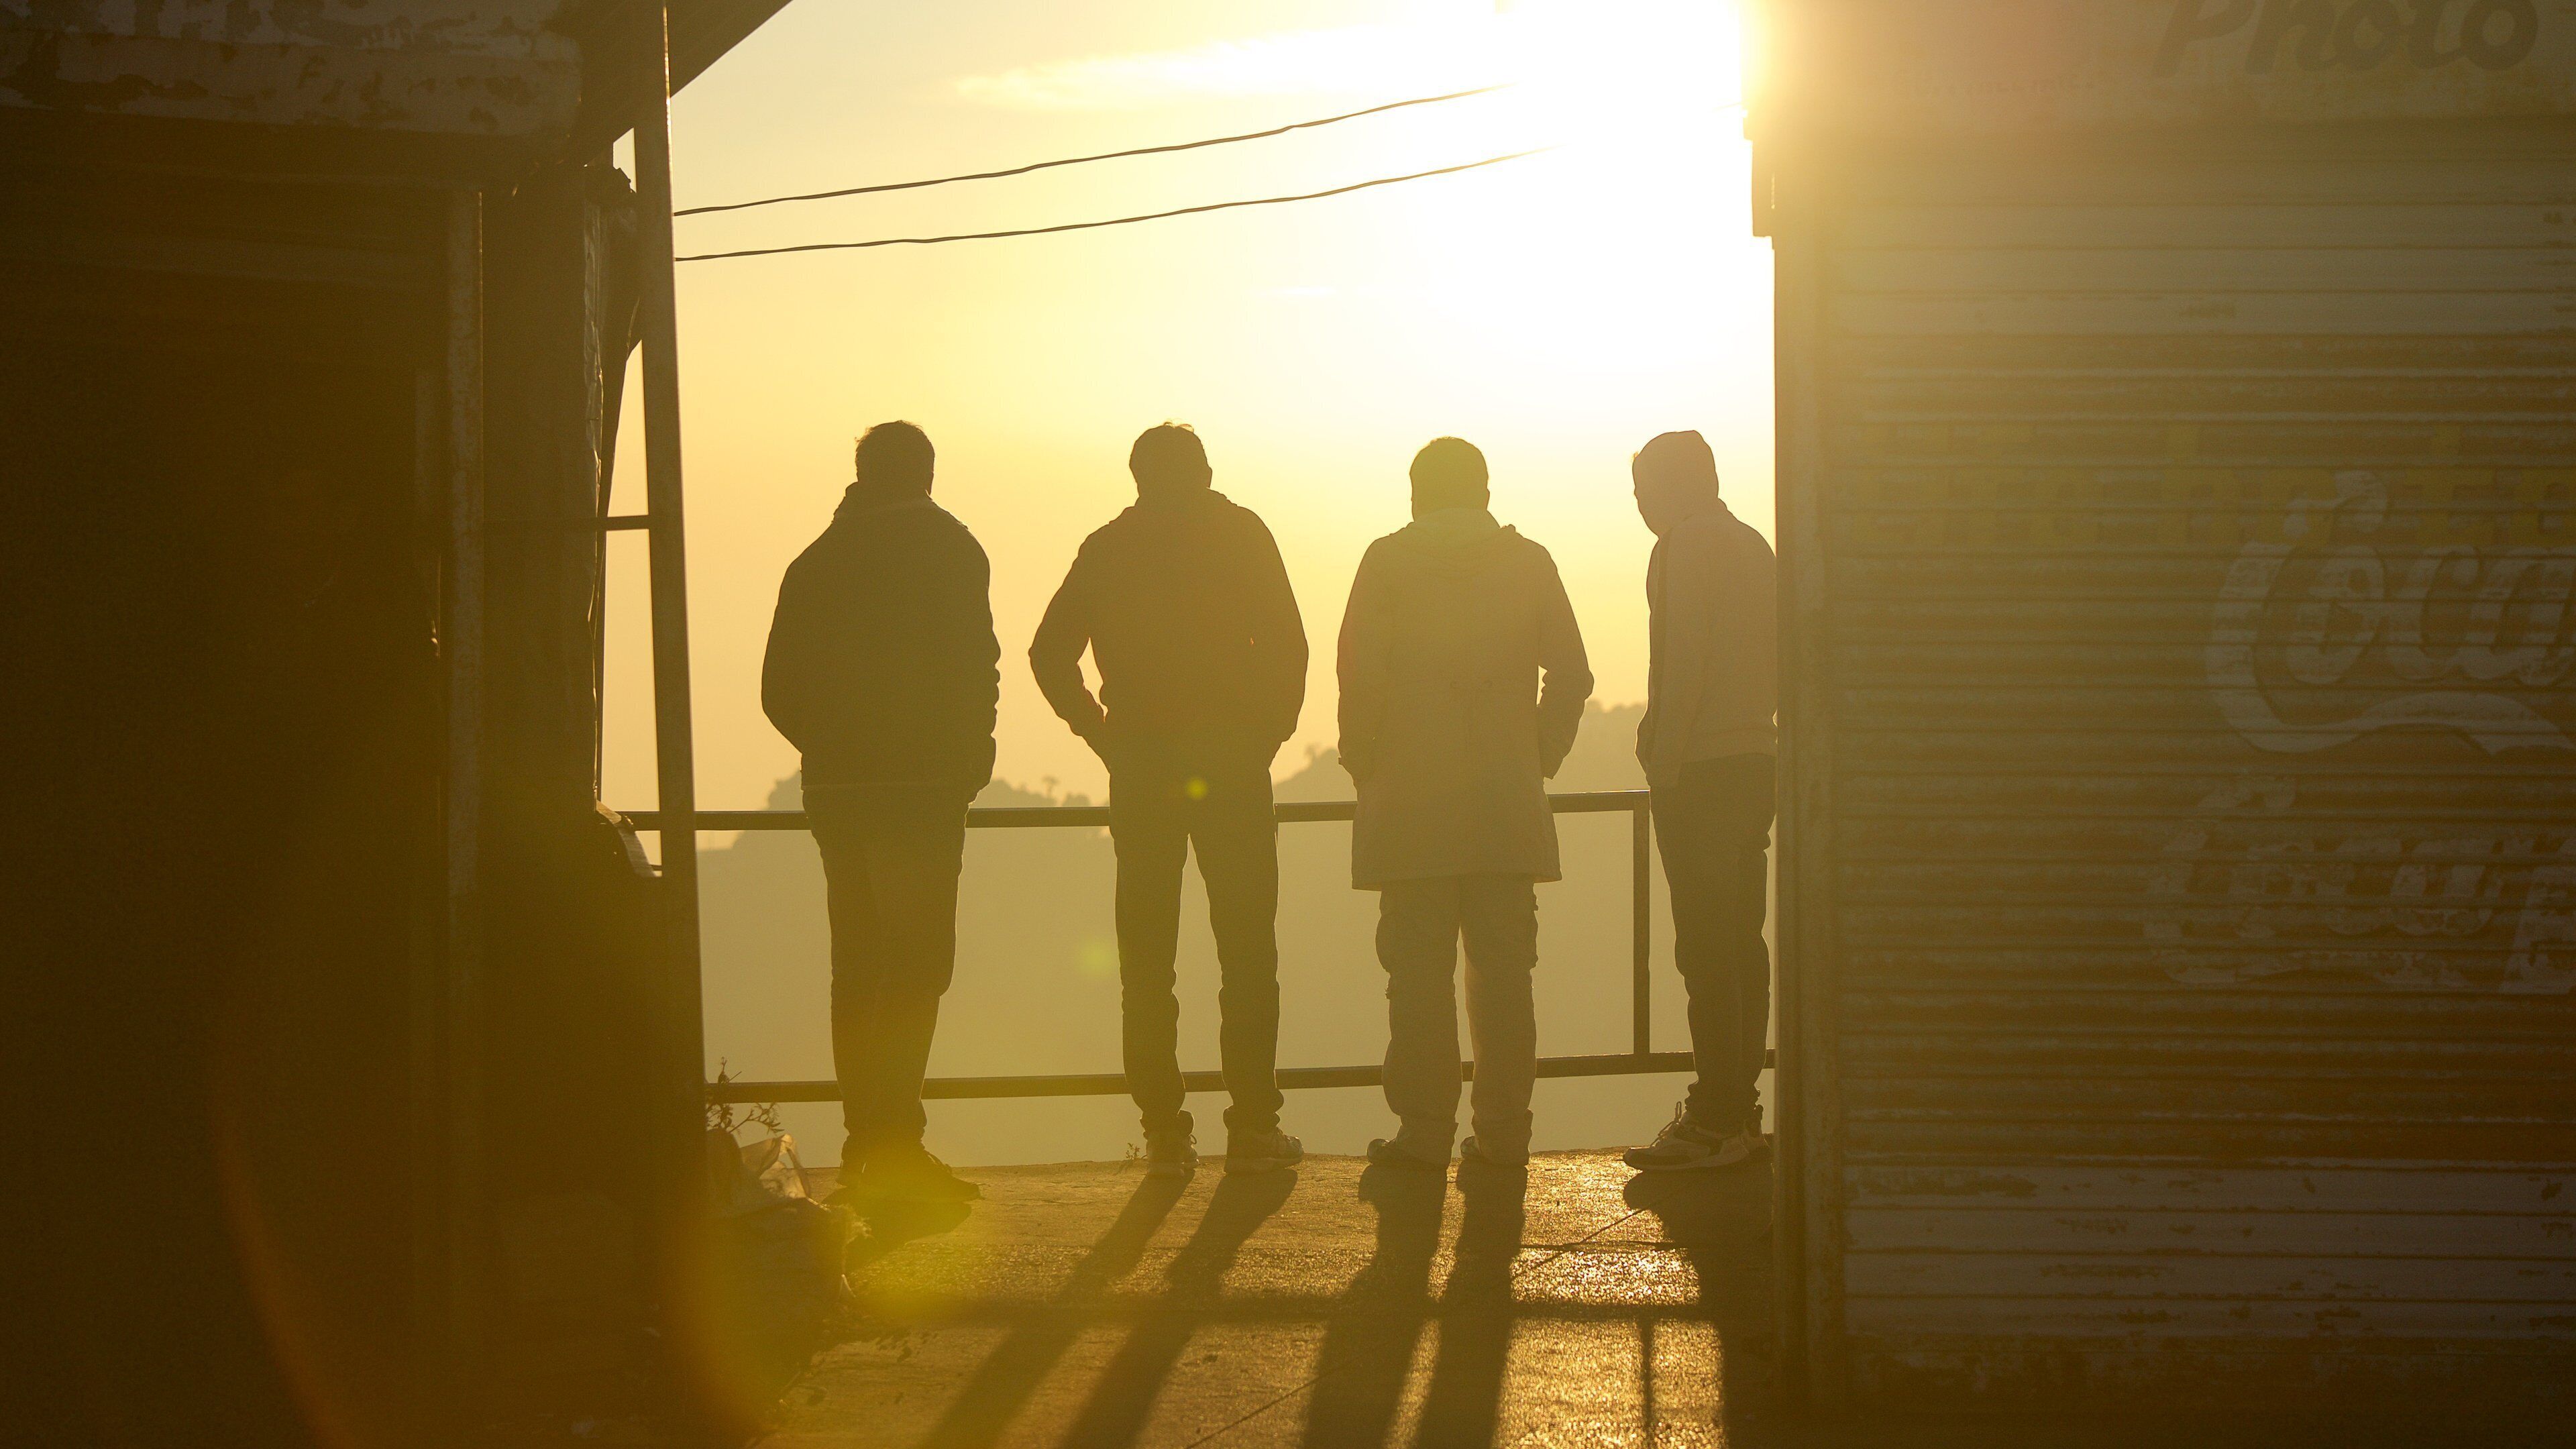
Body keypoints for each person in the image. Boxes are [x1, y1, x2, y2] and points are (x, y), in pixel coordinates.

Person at [1030, 423, 1308, 1178]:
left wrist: (1102, 734)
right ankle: (1253, 1123)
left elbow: (1048, 652)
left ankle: (1163, 1128)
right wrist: (1267, 734)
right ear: (1207, 470)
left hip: (1144, 767)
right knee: (1248, 948)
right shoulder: (1242, 533)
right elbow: (1288, 643)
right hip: (1231, 762)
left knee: (1147, 956)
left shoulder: (1107, 547)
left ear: (1137, 478)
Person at [1338, 437, 1593, 1173]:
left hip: (1411, 806)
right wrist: (1538, 755)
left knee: (1415, 977)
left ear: (1416, 492)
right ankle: (1505, 1132)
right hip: (1504, 805)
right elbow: (1572, 673)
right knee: (1505, 975)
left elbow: (1360, 676)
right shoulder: (1529, 562)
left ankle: (1424, 1132)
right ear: (1485, 490)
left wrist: (1365, 762)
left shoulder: (1386, 562)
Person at [761, 421, 998, 1201]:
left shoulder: (816, 561)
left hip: (838, 794)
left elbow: (777, 690)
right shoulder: (952, 550)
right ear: (927, 474)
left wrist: (833, 747)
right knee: (918, 965)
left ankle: (869, 1142)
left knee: (857, 966)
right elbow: (976, 662)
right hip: (919, 794)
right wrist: (965, 756)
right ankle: (895, 1145)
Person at [1620, 429, 1779, 1173]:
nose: (1639, 503)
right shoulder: (1753, 544)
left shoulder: (1682, 547)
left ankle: (1713, 1119)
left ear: (1672, 486)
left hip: (1704, 770)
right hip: (1758, 762)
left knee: (1704, 948)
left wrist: (1665, 761)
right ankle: (1739, 1108)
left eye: (1643, 488)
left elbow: (1682, 661)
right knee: (1743, 942)